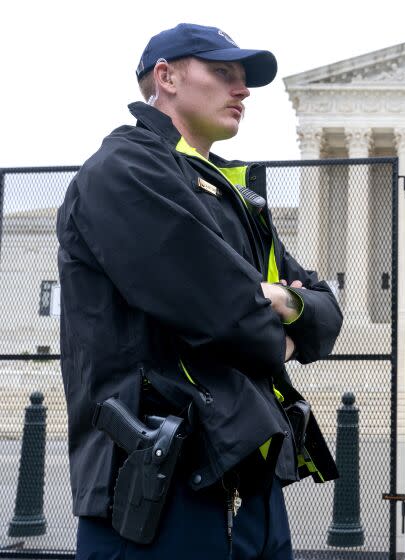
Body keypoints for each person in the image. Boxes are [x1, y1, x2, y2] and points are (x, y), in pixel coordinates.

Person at [56, 23, 342, 559]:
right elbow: (224, 314)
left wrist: (287, 303)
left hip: (252, 489)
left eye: (243, 78)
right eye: (223, 72)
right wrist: (275, 325)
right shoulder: (122, 172)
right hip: (159, 496)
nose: (243, 90)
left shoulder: (235, 194)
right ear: (165, 77)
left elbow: (325, 311)